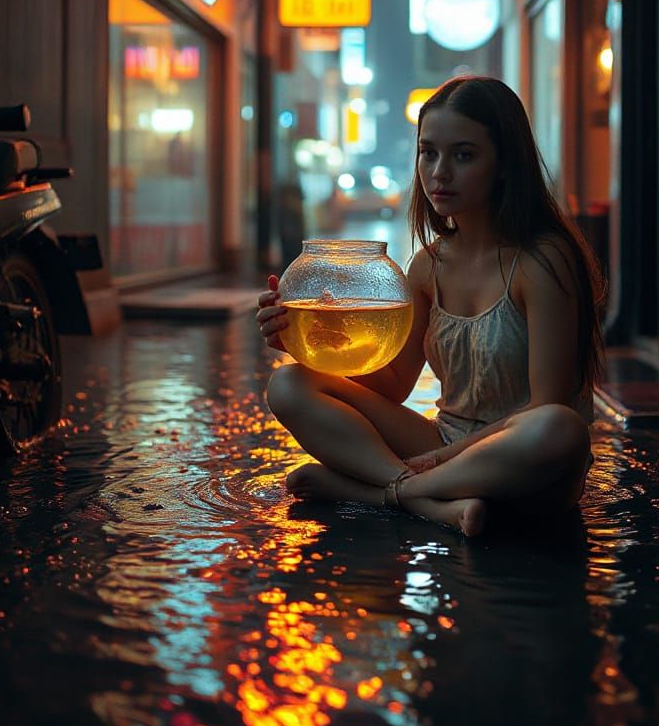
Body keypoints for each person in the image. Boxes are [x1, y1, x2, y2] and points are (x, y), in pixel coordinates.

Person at [256, 75, 605, 537]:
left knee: (561, 427)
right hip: (440, 447)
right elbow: (392, 384)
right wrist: (306, 347)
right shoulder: (428, 266)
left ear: (504, 163)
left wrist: (444, 458)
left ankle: (381, 492)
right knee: (288, 385)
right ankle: (425, 498)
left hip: (525, 463)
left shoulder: (542, 261)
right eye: (429, 152)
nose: (440, 171)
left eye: (464, 155)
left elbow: (547, 406)